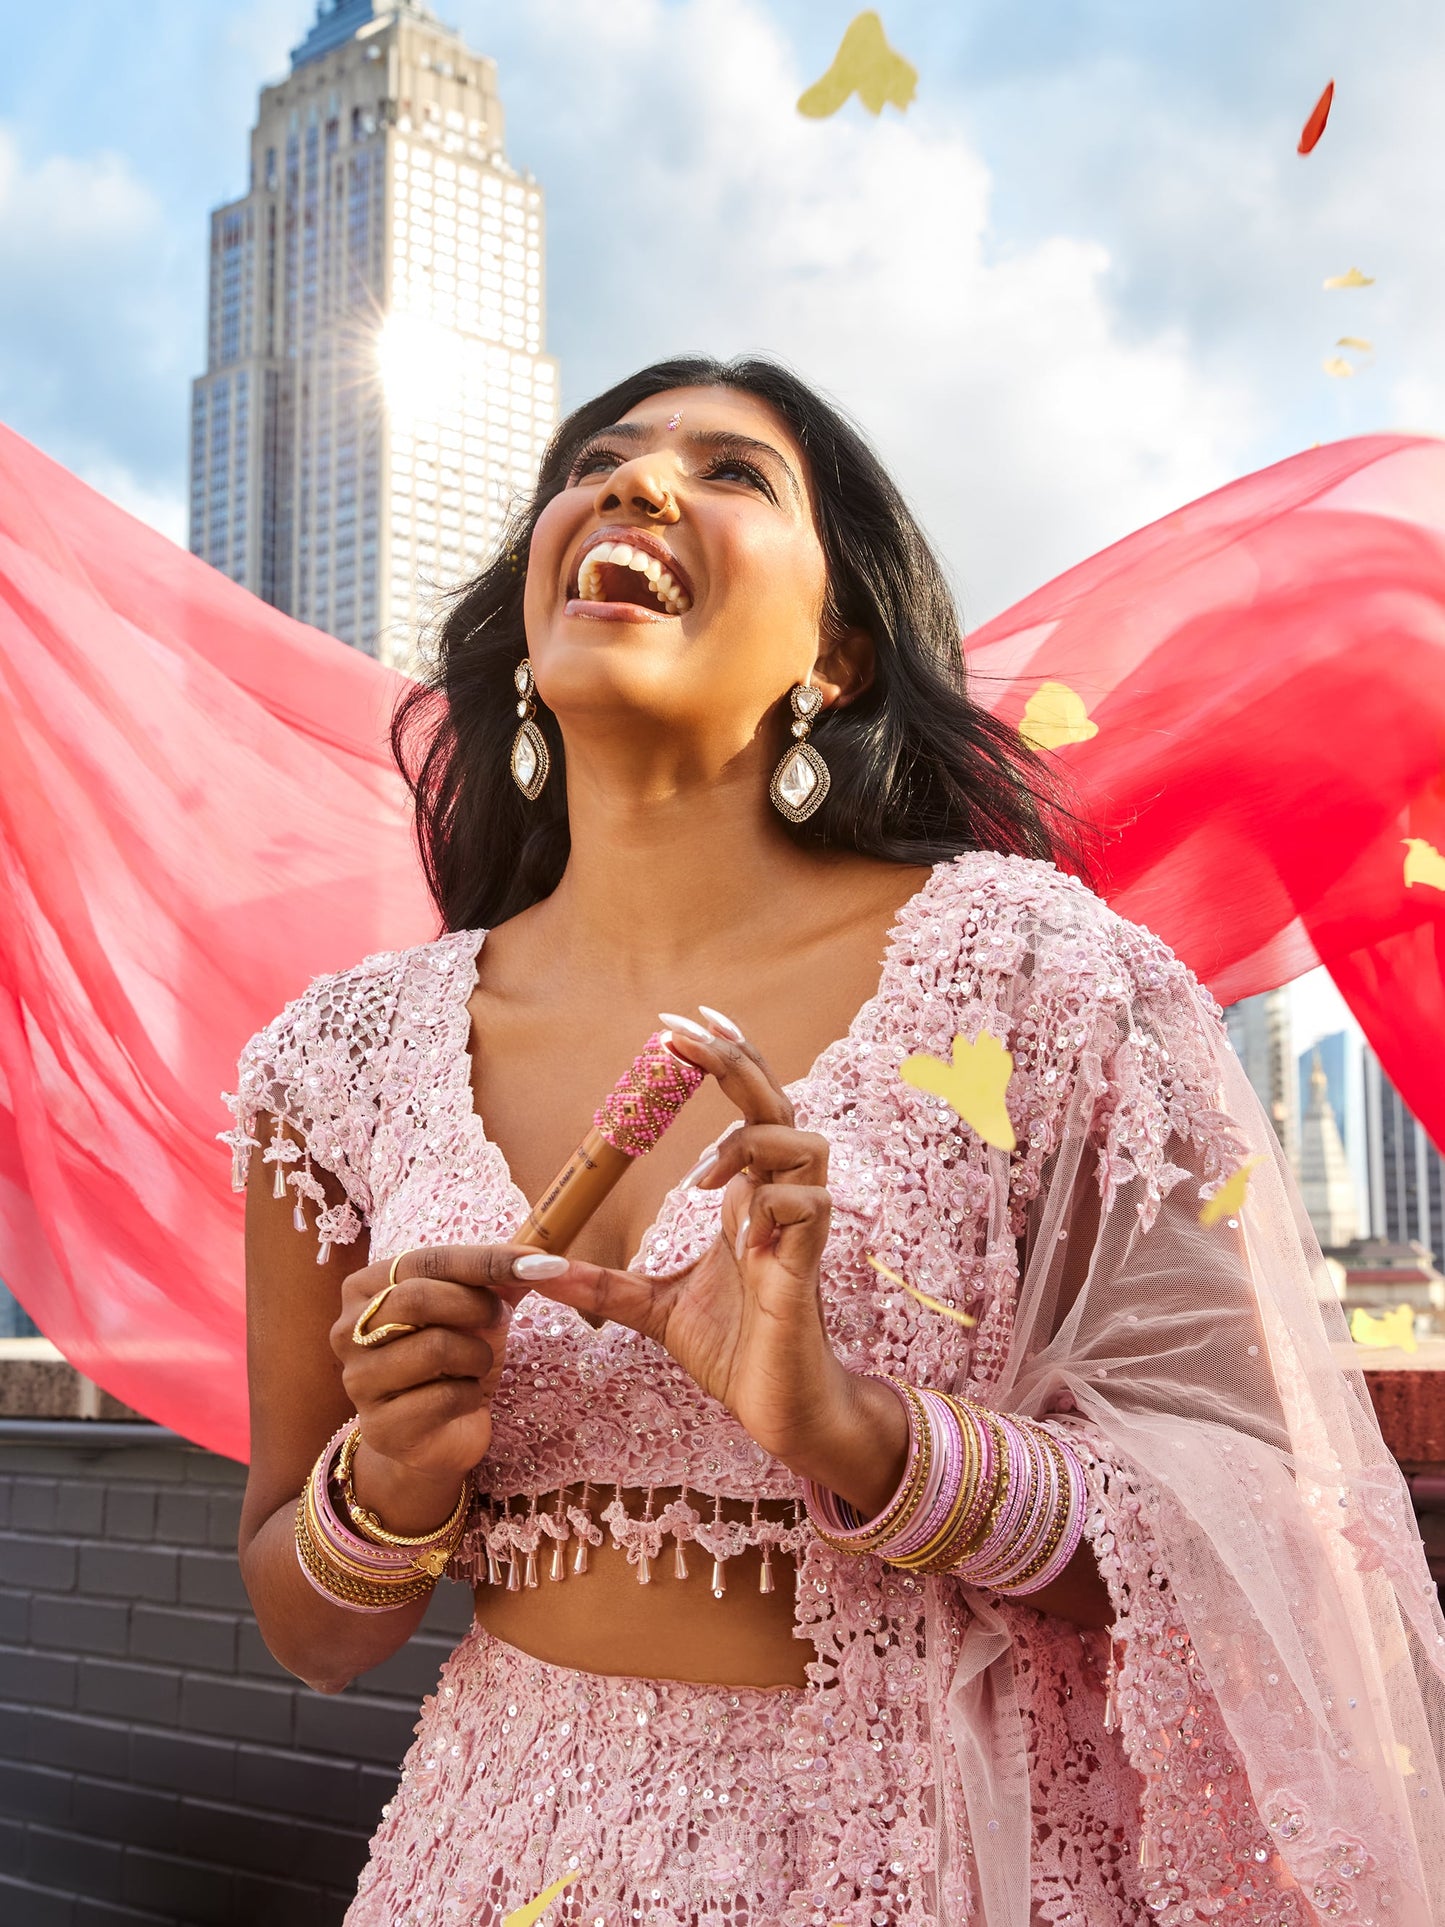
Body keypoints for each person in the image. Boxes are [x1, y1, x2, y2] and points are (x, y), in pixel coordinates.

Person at [228, 356, 1445, 1927]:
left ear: (840, 653)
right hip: (495, 1861)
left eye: (732, 471)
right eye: (597, 459)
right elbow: (309, 1631)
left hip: (935, 1861)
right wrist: (387, 1479)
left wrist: (856, 1431)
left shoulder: (1039, 977)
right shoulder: (334, 1063)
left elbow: (1254, 1536)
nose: (639, 483)